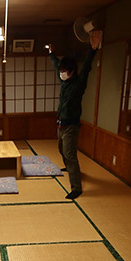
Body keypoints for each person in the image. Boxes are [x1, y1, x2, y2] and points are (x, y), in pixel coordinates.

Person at [48, 30, 103, 199]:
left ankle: (76, 187)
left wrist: (93, 50)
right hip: (60, 124)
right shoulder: (63, 81)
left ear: (72, 71)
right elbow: (57, 64)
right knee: (62, 151)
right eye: (61, 70)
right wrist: (51, 53)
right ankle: (71, 168)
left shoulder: (78, 84)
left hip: (71, 125)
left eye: (65, 71)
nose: (62, 73)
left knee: (70, 155)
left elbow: (86, 68)